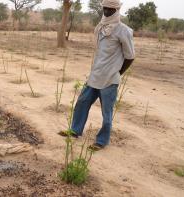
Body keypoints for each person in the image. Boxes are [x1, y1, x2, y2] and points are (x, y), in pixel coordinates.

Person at [60, 0, 135, 151]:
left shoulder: (123, 30)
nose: (106, 11)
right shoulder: (100, 27)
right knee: (82, 103)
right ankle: (75, 131)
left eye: (110, 9)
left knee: (106, 113)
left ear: (117, 10)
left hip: (109, 79)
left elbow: (130, 56)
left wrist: (117, 73)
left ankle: (101, 141)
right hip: (94, 76)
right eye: (105, 8)